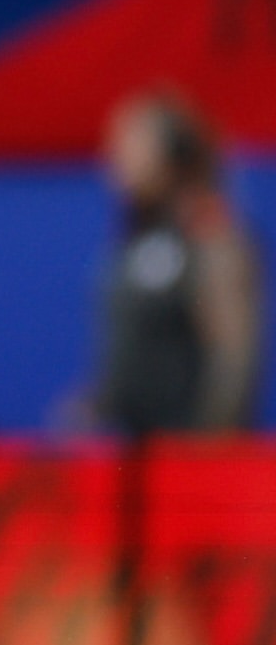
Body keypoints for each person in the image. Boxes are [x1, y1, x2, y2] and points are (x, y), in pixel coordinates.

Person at [94, 92, 262, 434]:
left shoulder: (211, 235)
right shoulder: (136, 237)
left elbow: (234, 358)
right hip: (139, 452)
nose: (114, 154)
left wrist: (207, 448)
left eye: (130, 140)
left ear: (172, 153)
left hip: (190, 459)